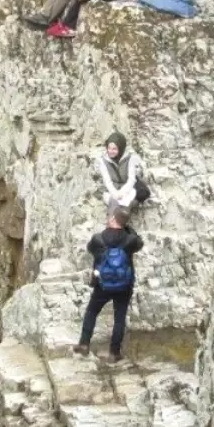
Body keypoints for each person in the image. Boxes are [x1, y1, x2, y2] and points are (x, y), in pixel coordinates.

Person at [75, 207, 143, 362]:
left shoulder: (98, 239)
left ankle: (84, 344)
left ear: (113, 218)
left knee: (92, 311)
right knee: (119, 318)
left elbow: (89, 249)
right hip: (124, 285)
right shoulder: (130, 240)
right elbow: (140, 243)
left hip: (102, 284)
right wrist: (127, 228)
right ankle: (114, 353)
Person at [97, 132, 150, 214]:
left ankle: (125, 212)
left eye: (114, 149)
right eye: (109, 148)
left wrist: (122, 193)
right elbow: (107, 181)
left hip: (127, 187)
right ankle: (117, 217)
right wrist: (115, 194)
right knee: (114, 203)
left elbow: (131, 179)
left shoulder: (130, 158)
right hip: (113, 188)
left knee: (139, 195)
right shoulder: (103, 161)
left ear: (120, 148)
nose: (111, 151)